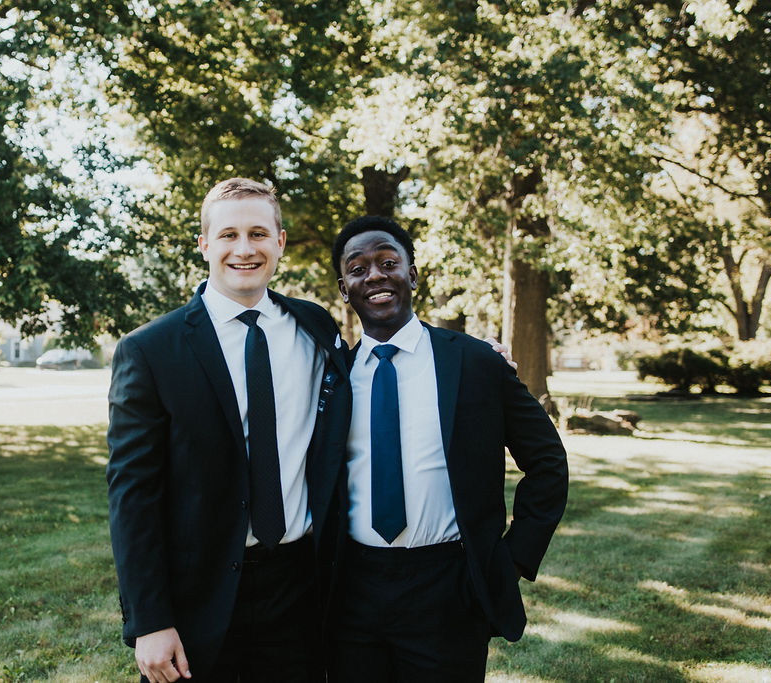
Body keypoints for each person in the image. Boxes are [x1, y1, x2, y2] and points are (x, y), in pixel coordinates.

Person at [106, 178, 348, 682]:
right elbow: (133, 494)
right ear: (204, 245)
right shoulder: (150, 351)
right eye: (228, 235)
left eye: (259, 233)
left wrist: (480, 358)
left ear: (279, 243)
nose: (244, 249)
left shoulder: (316, 328)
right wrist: (150, 620)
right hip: (200, 593)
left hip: (301, 586)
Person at [323, 215, 569, 683]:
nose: (374, 275)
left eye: (388, 262)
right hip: (353, 587)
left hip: (447, 585)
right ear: (344, 288)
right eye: (358, 269)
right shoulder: (332, 378)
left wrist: (511, 558)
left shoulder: (475, 362)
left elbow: (547, 463)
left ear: (412, 274)